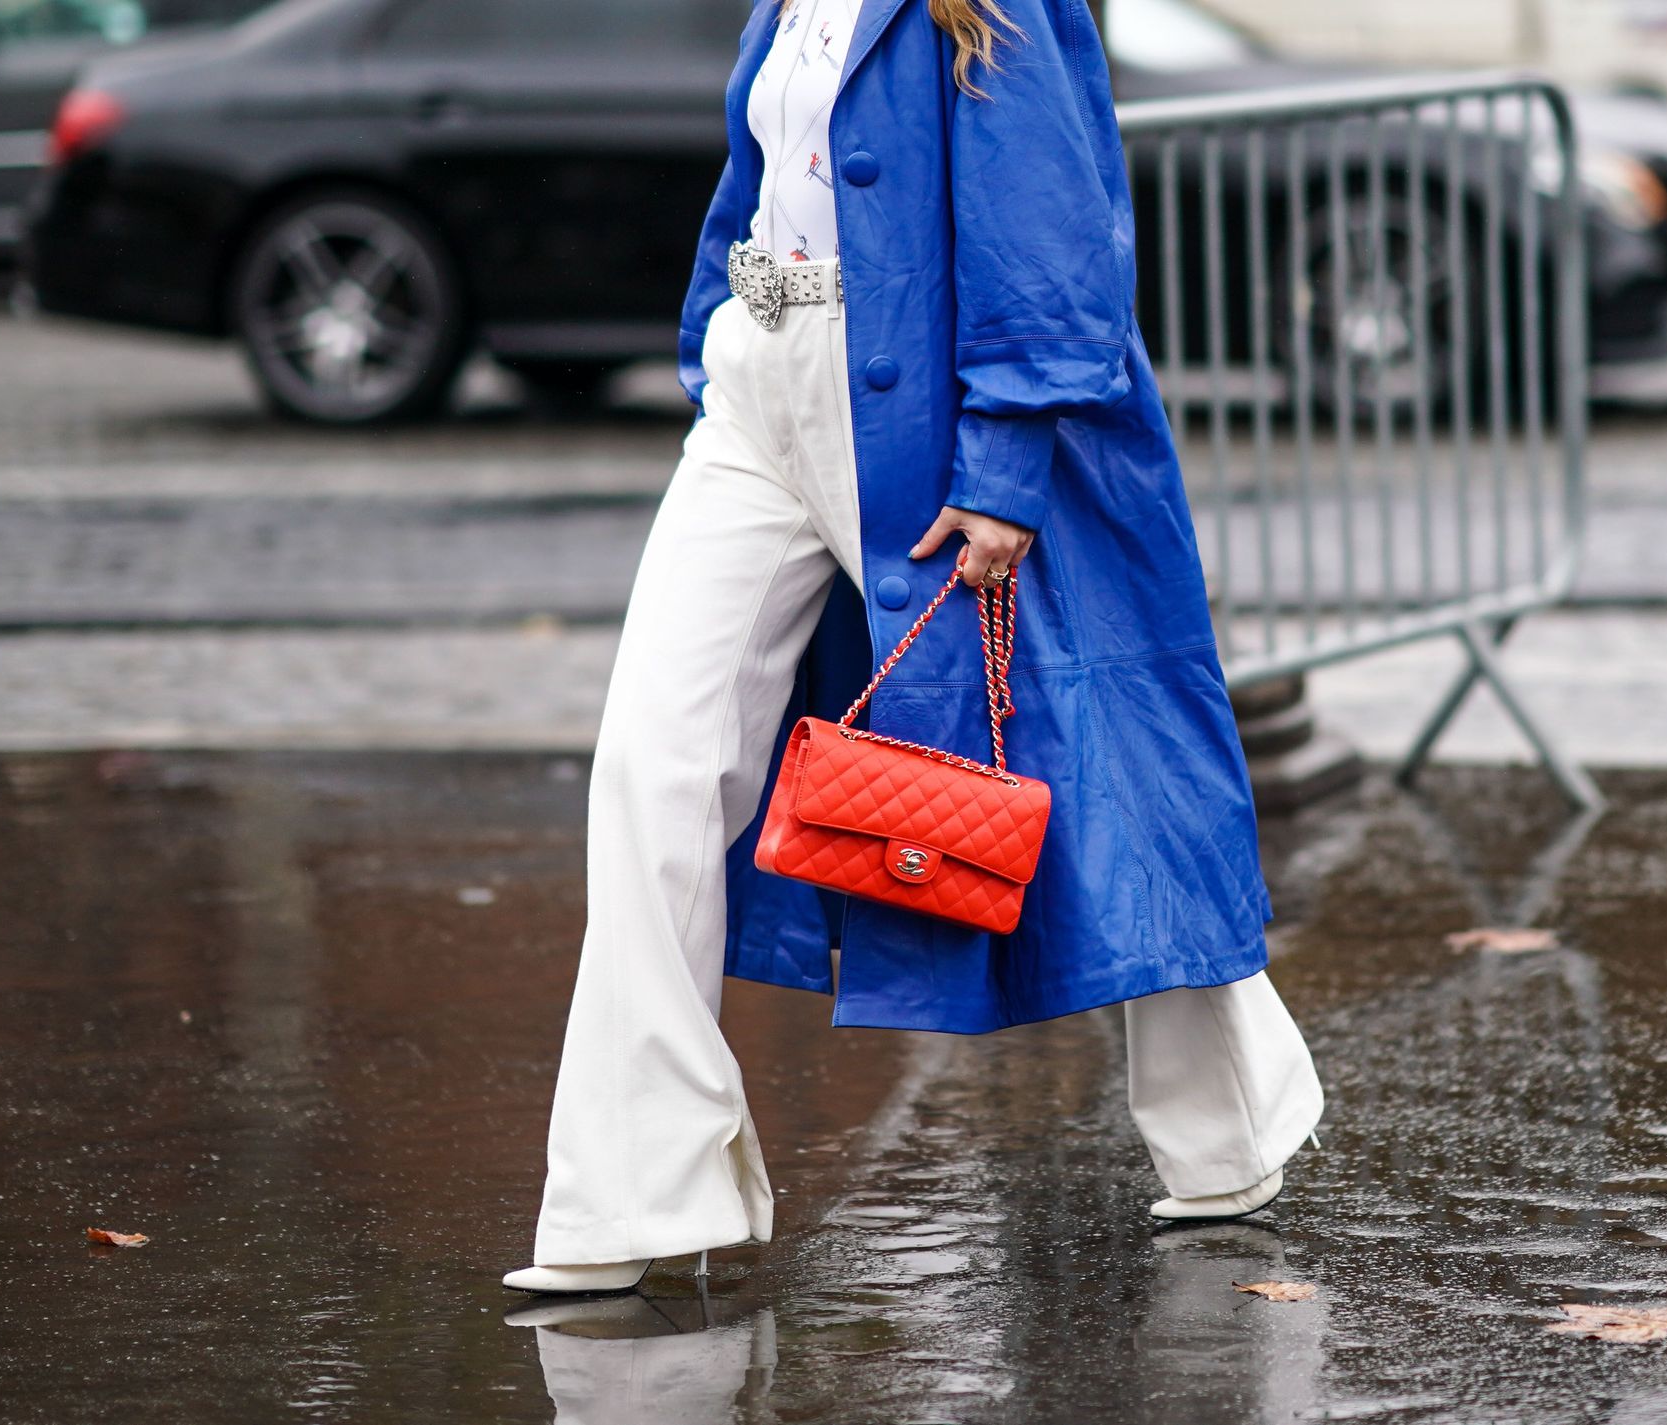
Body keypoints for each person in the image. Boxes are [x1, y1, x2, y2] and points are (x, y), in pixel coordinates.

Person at [503, 0, 1323, 1296]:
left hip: (926, 407)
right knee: (655, 764)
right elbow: (759, 170)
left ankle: (1228, 1131)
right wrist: (714, 332)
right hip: (760, 402)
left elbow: (1055, 215)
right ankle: (631, 1194)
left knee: (1100, 761)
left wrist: (1005, 454)